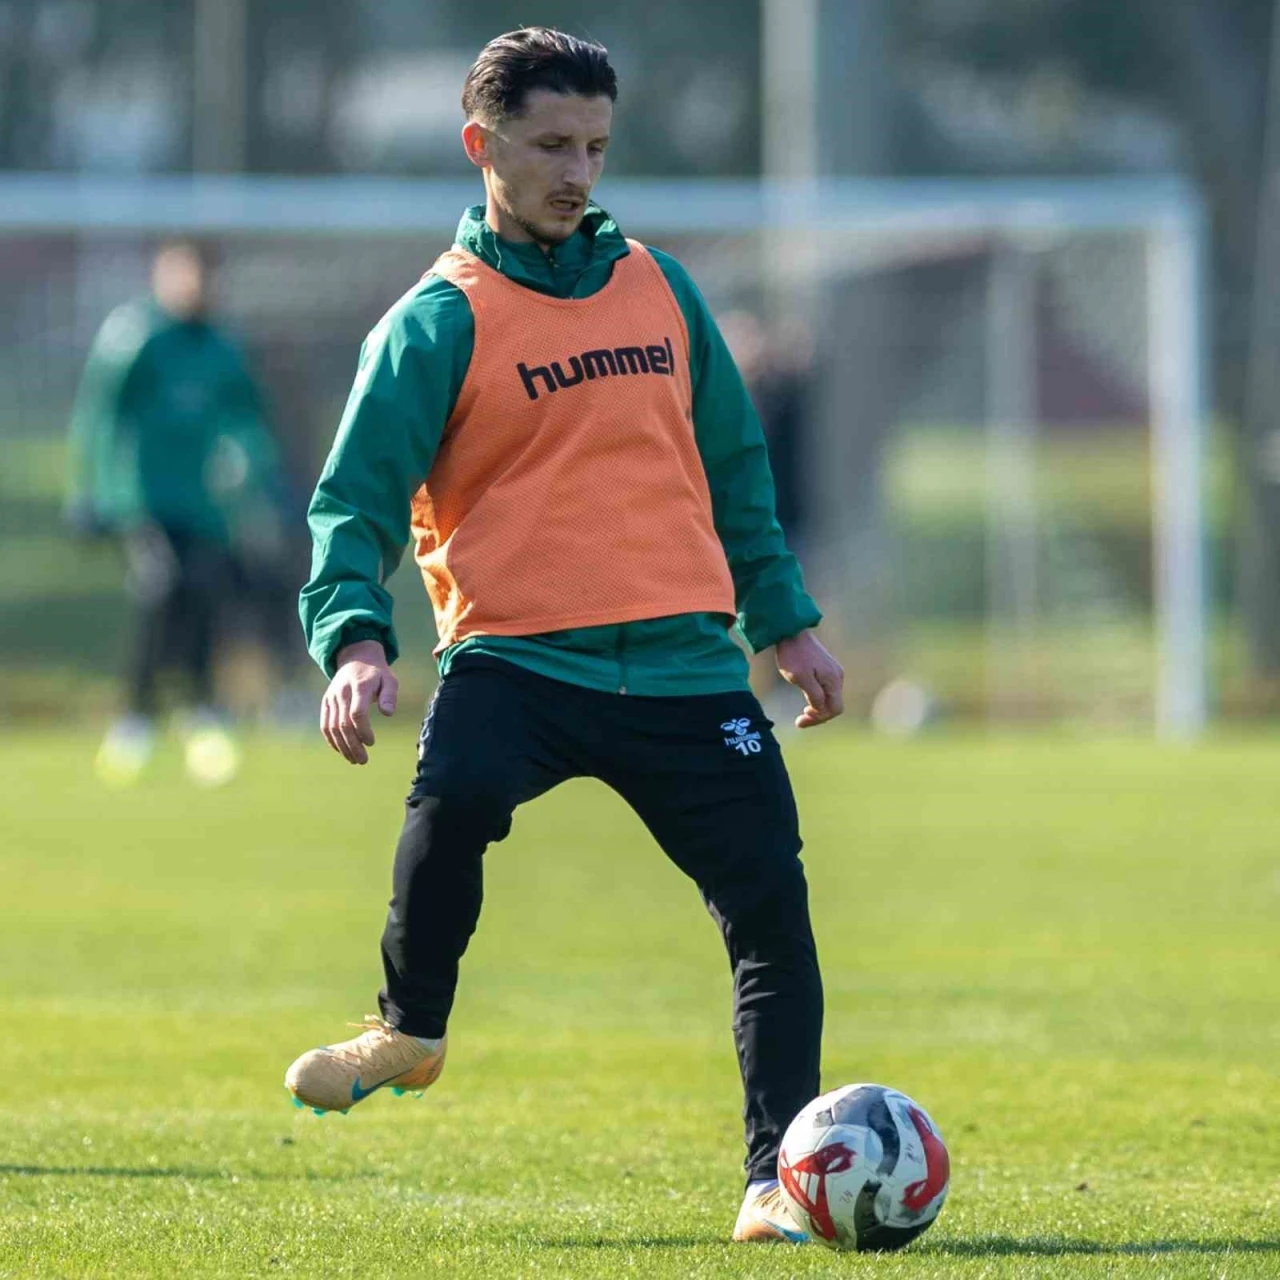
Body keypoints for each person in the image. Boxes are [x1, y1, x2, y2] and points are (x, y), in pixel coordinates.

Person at [284, 28, 844, 1246]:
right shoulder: (437, 320)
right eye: (549, 145)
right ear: (480, 145)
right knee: (450, 804)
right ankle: (409, 1029)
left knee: (769, 909)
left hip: (687, 665)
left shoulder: (660, 287)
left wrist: (784, 625)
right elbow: (353, 502)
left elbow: (736, 467)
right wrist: (356, 641)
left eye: (593, 145)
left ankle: (773, 1179)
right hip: (521, 656)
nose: (576, 171)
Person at [66, 240, 276, 785]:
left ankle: (200, 709)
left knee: (203, 590)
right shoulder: (135, 335)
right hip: (140, 499)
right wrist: (88, 490)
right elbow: (99, 414)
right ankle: (135, 715)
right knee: (161, 587)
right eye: (183, 274)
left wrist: (249, 466)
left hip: (202, 504)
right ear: (162, 276)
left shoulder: (221, 347)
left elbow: (247, 418)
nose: (194, 286)